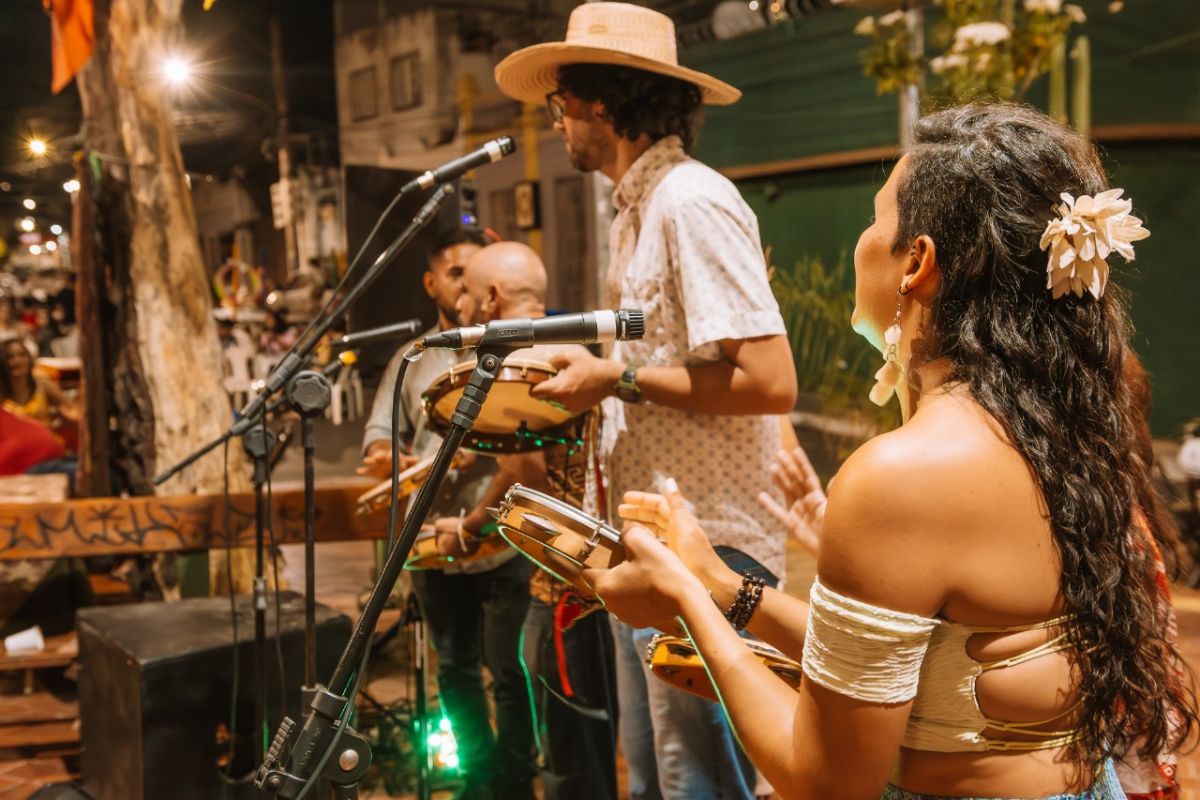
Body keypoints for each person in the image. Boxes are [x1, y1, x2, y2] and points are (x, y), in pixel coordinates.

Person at [588, 102, 1197, 800]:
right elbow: (926, 660)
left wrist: (683, 601)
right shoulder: (1070, 430)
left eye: (874, 219)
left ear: (917, 261)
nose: (861, 241)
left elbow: (828, 781)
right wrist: (726, 588)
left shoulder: (902, 476)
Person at [495, 5, 797, 798]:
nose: (558, 125)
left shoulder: (688, 202)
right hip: (660, 546)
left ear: (601, 103)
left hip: (711, 548)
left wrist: (613, 377)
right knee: (663, 772)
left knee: (700, 779)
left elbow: (770, 381)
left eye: (561, 107)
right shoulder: (640, 207)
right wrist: (600, 369)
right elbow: (669, 361)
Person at [434, 241, 619, 800]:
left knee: (568, 762)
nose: (461, 302)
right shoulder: (569, 347)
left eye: (467, 291)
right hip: (596, 585)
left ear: (490, 298)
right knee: (591, 746)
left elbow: (528, 475)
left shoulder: (515, 362)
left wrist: (469, 529)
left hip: (560, 589)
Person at [359, 228, 537, 800]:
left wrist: (474, 471)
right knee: (456, 668)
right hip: (432, 540)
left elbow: (526, 455)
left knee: (510, 669)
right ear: (433, 283)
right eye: (456, 273)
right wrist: (389, 456)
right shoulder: (413, 360)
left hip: (501, 536)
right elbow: (379, 443)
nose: (466, 284)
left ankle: (516, 778)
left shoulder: (510, 353)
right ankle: (479, 780)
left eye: (475, 273)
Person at [1, 339, 69, 430]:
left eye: (22, 355)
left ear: (29, 358)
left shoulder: (41, 382)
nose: (17, 361)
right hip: (12, 442)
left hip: (44, 441)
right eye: (10, 357)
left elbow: (68, 407)